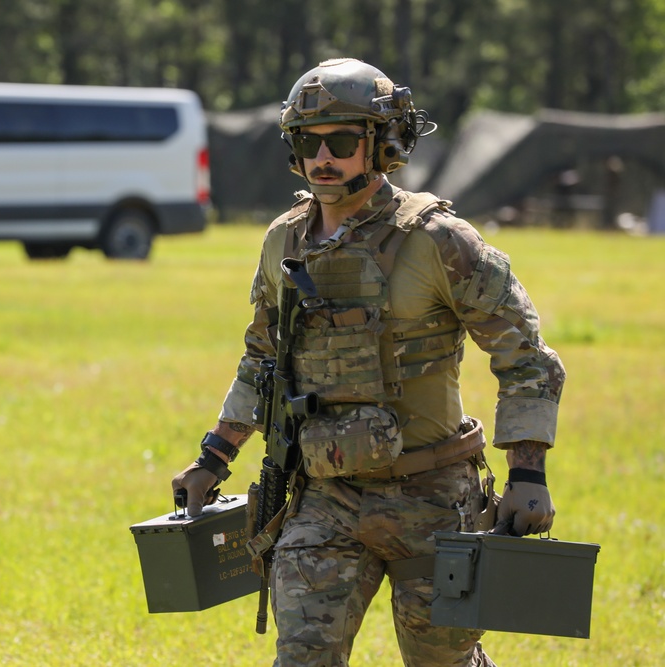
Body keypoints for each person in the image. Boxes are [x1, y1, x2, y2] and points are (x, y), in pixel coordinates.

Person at [171, 58, 565, 666]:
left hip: (434, 496)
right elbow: (261, 362)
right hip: (322, 496)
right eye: (308, 142)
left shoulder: (439, 240)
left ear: (384, 145)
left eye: (343, 141)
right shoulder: (284, 240)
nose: (322, 157)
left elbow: (526, 357)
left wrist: (528, 473)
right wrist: (212, 457)